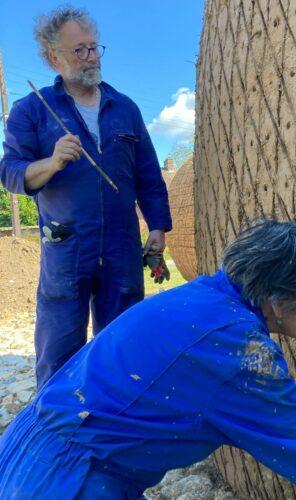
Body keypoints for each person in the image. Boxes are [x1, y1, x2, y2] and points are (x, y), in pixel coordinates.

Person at [0, 219, 296, 499]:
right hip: (69, 482)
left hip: (30, 451)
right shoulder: (234, 347)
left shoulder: (199, 299)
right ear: (279, 299)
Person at [0, 6, 172, 388]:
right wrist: (51, 163)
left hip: (122, 246)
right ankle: (57, 419)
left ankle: (117, 416)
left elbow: (148, 174)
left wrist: (158, 226)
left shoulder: (125, 109)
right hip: (67, 246)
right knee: (59, 352)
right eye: (79, 50)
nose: (91, 57)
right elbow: (10, 173)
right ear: (53, 58)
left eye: (94, 47)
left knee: (123, 347)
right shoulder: (32, 111)